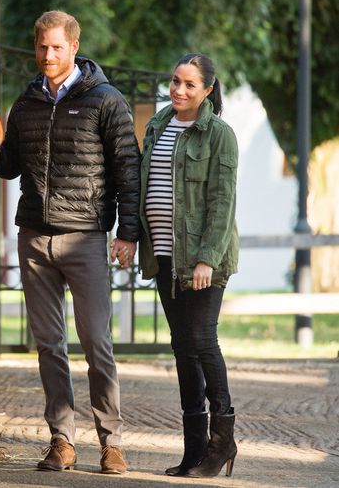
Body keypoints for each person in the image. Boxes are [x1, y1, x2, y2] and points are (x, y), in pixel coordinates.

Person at [0, 10, 140, 474]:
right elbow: (10, 164)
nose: (48, 55)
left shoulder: (106, 101)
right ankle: (61, 440)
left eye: (56, 47)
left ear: (74, 47)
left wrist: (128, 233)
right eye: (41, 47)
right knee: (49, 344)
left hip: (85, 237)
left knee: (96, 342)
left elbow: (127, 170)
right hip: (34, 237)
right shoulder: (26, 103)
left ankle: (111, 443)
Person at [138, 53, 239, 477]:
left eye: (189, 85)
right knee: (182, 348)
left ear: (208, 90)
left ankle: (223, 443)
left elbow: (222, 203)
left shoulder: (219, 135)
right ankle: (194, 449)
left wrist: (206, 259)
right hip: (164, 255)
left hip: (203, 261)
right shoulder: (159, 123)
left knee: (201, 340)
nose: (179, 90)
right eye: (175, 81)